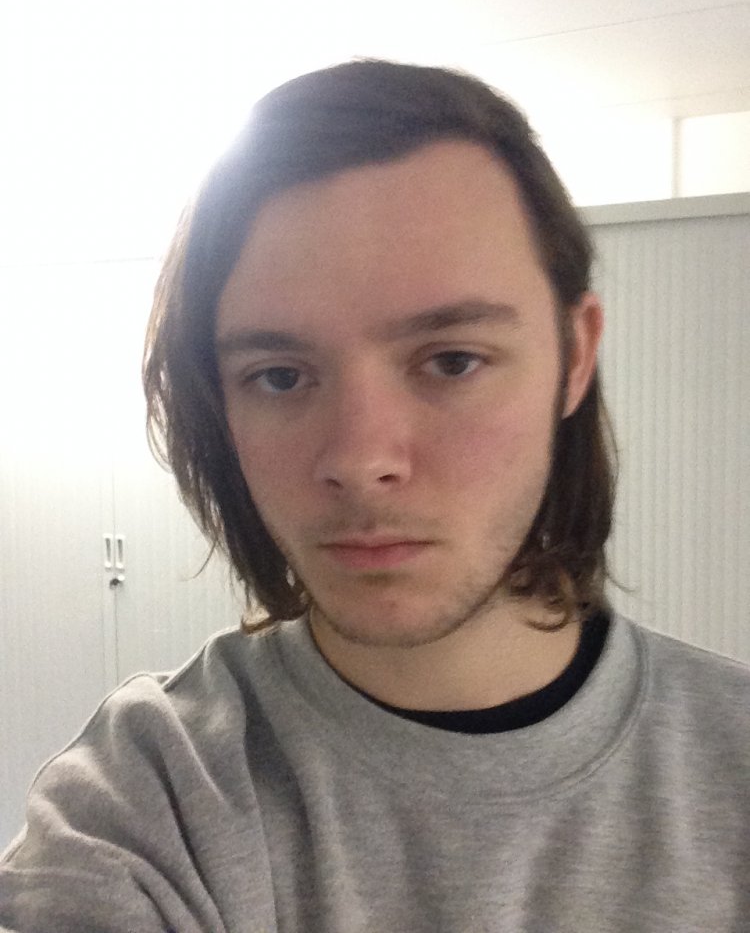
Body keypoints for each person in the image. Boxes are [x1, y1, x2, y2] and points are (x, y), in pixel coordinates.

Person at [1, 59, 748, 932]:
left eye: (452, 361)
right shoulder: (154, 794)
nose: (359, 460)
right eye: (280, 375)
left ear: (575, 357)